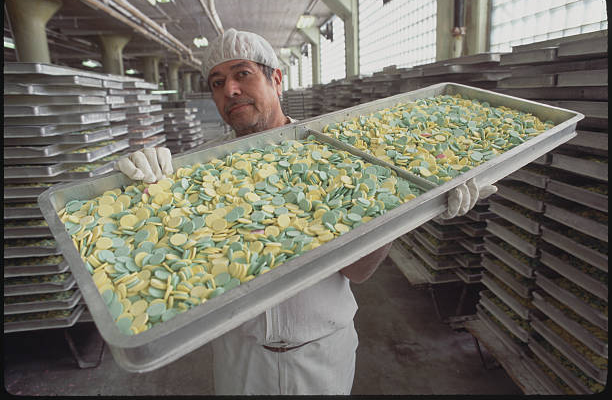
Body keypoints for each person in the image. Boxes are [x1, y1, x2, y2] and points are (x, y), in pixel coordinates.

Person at [116, 28, 497, 395]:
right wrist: (141, 188)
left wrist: (411, 207)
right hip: (239, 356)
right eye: (217, 82)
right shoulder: (197, 173)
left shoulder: (334, 154)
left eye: (242, 74)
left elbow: (358, 270)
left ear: (276, 79)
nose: (230, 89)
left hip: (322, 352)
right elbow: (165, 258)